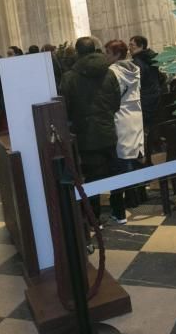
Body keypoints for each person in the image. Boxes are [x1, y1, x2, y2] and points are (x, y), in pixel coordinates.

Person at [60, 37, 120, 221]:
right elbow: (116, 102)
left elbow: (65, 108)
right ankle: (119, 212)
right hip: (108, 129)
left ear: (78, 53)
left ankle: (94, 218)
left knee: (92, 177)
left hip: (85, 133)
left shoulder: (69, 77)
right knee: (113, 172)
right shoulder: (109, 73)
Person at [103, 40, 144, 224]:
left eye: (107, 53)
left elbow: (113, 97)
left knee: (119, 165)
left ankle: (119, 210)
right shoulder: (134, 68)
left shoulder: (113, 72)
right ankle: (134, 198)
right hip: (135, 116)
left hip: (121, 117)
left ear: (116, 55)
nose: (105, 56)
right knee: (131, 158)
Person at [127, 36, 162, 130]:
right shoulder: (151, 58)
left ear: (141, 46)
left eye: (132, 45)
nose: (129, 48)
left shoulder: (137, 62)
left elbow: (135, 84)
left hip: (145, 102)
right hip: (156, 97)